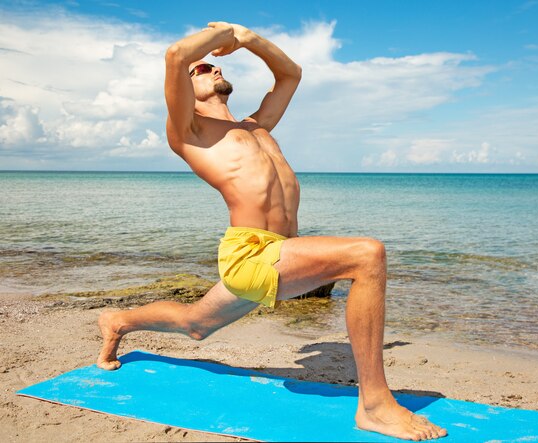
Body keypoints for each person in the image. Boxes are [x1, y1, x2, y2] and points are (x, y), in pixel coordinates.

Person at [96, 21, 447, 441]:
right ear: (184, 90)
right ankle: (374, 405)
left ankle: (118, 321)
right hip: (250, 256)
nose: (211, 69)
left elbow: (291, 74)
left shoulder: (256, 126)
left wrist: (248, 39)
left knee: (195, 325)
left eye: (214, 66)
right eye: (201, 70)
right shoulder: (189, 133)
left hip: (281, 252)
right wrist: (220, 33)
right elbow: (175, 56)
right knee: (367, 255)